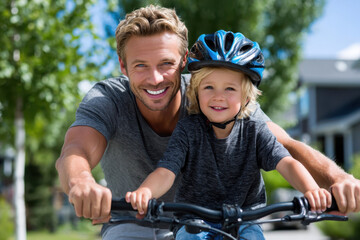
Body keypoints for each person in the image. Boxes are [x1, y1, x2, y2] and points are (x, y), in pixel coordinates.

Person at [55, 4, 360, 240]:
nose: (155, 78)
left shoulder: (213, 95)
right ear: (123, 66)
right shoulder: (108, 99)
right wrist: (82, 182)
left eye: (166, 64)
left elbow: (285, 145)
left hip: (225, 224)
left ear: (184, 61)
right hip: (135, 222)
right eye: (140, 66)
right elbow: (76, 150)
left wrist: (336, 179)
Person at [125, 30, 332, 240]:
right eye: (208, 87)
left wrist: (311, 190)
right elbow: (165, 172)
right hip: (194, 221)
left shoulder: (256, 130)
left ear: (247, 97)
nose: (218, 97)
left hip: (246, 219)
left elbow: (287, 163)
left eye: (230, 89)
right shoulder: (188, 130)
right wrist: (145, 193)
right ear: (195, 92)